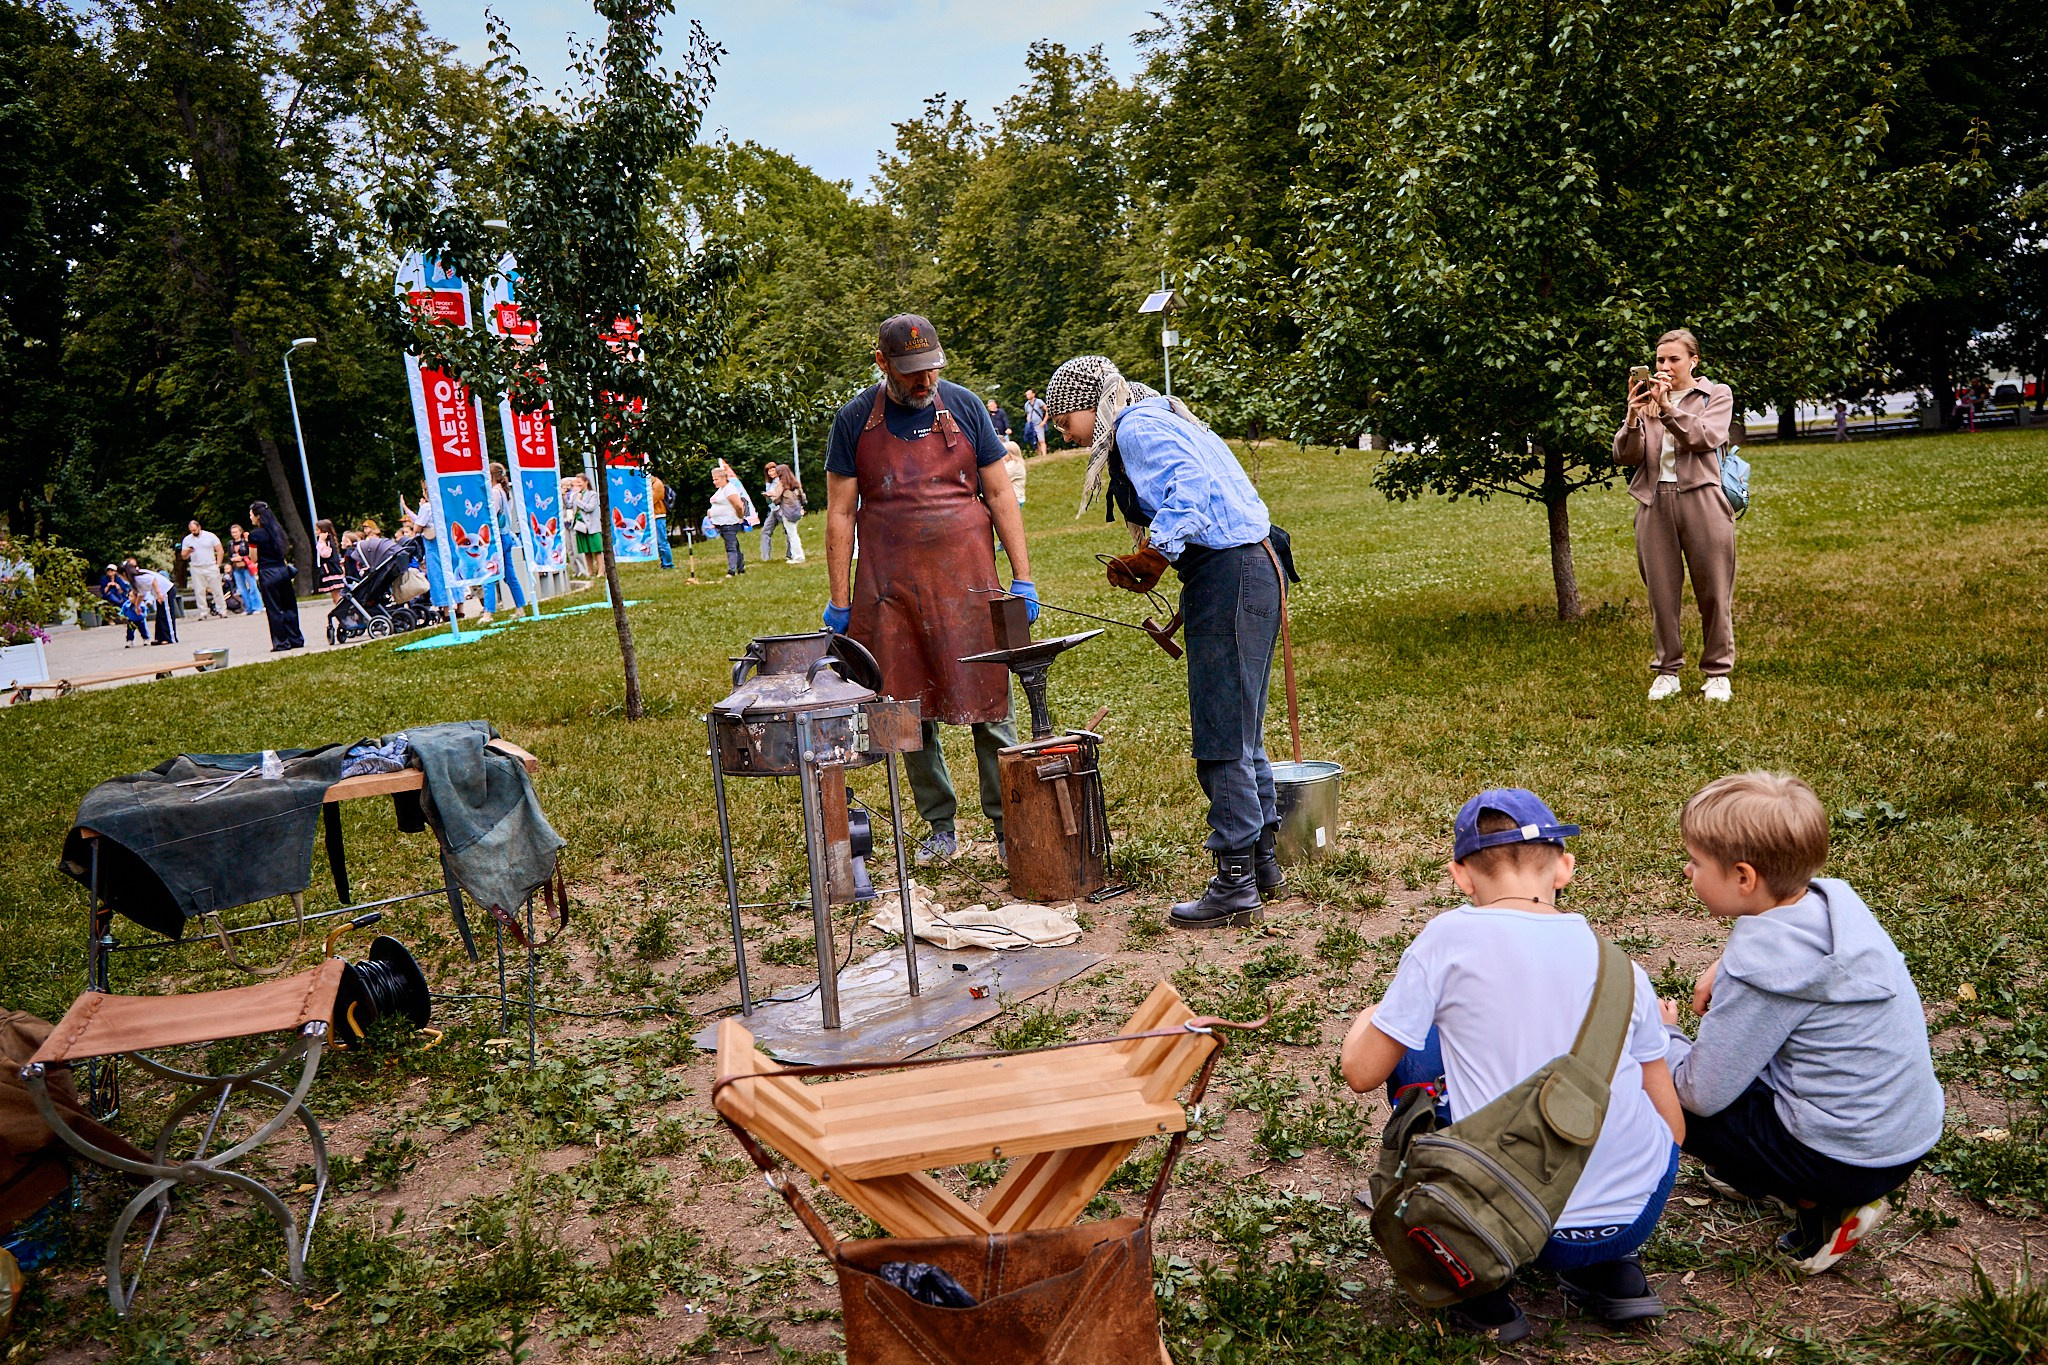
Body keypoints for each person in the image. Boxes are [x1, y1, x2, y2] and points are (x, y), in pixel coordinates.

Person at [1340, 790, 1684, 1342]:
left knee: (1418, 1052)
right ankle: (1610, 1270)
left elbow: (1360, 1071)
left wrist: (1378, 1010)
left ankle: (1478, 1282)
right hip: (1635, 1212)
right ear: (1565, 868)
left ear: (1462, 876)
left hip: (1508, 1218)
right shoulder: (1622, 967)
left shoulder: (1447, 938)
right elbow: (1674, 1128)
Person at [1660, 772, 1942, 1274]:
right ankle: (1765, 1175)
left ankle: (1819, 1206)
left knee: (1662, 1088)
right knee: (1757, 1058)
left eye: (1696, 862)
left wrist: (1664, 1037)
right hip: (1903, 1133)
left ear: (1744, 878)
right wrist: (1724, 962)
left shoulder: (1763, 976)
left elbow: (1700, 1092)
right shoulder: (1836, 909)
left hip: (1844, 1158)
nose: (1687, 871)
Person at [1044, 354, 1288, 925]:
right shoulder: (1161, 415)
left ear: (1088, 403)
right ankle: (1262, 864)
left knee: (1221, 732)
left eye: (1062, 419)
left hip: (1232, 572)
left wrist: (1157, 552)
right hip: (1250, 568)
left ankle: (1235, 884)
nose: (1063, 431)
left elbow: (1193, 489)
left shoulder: (1135, 425)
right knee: (1243, 728)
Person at [823, 314, 1034, 862]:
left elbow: (999, 493)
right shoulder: (852, 422)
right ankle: (940, 825)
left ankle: (1009, 823)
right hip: (889, 590)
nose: (924, 382)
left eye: (931, 369)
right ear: (882, 364)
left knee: (990, 702)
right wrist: (840, 600)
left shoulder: (964, 406)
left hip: (969, 583)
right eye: (912, 372)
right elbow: (842, 514)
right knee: (903, 710)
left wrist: (1023, 576)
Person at [1613, 327, 1737, 703]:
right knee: (1662, 594)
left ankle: (1717, 673)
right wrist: (1633, 417)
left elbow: (1704, 437)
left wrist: (1668, 408)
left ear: (1693, 361)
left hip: (1703, 498)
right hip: (1654, 502)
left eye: (1673, 359)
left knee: (1714, 591)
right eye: (1659, 360)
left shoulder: (1716, 394)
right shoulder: (1648, 398)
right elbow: (1626, 456)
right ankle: (1667, 672)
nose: (1665, 366)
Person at [247, 501, 304, 651]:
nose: (250, 517)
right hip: (282, 571)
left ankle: (281, 642)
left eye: (251, 514)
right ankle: (296, 638)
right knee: (289, 606)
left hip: (267, 572)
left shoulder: (255, 535)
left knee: (274, 609)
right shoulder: (277, 530)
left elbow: (253, 558)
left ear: (258, 516)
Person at [398, 484, 456, 622]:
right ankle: (459, 609)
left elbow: (418, 527)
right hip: (447, 543)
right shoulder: (444, 503)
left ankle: (447, 611)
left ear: (426, 492)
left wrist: (418, 508)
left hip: (433, 546)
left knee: (438, 576)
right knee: (451, 574)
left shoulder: (427, 507)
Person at [481, 461, 530, 619]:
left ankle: (488, 612)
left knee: (489, 573)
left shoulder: (495, 492)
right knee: (510, 575)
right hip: (507, 535)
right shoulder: (504, 491)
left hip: (497, 539)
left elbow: (492, 514)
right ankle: (520, 607)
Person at [179, 519, 229, 618]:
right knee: (199, 590)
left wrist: (217, 565)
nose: (193, 532)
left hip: (210, 565)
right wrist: (188, 551)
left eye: (195, 530)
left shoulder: (210, 536)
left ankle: (222, 609)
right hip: (196, 566)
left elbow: (220, 550)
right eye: (191, 530)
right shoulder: (187, 539)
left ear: (199, 527)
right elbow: (183, 556)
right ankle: (203, 611)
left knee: (217, 589)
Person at [762, 461, 807, 563]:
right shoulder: (795, 483)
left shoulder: (781, 484)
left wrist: (769, 495)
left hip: (787, 512)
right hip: (796, 511)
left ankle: (798, 556)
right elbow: (803, 498)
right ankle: (797, 555)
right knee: (793, 533)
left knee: (792, 535)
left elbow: (776, 499)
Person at [708, 464, 749, 576]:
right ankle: (741, 568)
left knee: (730, 546)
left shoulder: (730, 489)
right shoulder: (722, 489)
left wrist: (740, 517)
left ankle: (732, 571)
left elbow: (738, 505)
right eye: (713, 479)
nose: (714, 482)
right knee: (734, 545)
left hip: (729, 522)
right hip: (720, 523)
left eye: (716, 479)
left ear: (723, 478)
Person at [124, 562, 178, 646]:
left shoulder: (139, 576)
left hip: (165, 591)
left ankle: (170, 638)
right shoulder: (136, 579)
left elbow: (153, 580)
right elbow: (141, 594)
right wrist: (137, 606)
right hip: (159, 593)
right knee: (160, 616)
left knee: (166, 615)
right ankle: (160, 638)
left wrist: (159, 593)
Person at [568, 475, 603, 577]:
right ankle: (590, 572)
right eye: (576, 483)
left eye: (579, 482)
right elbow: (570, 505)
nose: (577, 485)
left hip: (592, 526)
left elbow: (590, 508)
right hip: (580, 526)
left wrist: (578, 501)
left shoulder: (592, 494)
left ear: (586, 482)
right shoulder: (575, 495)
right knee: (586, 551)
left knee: (596, 550)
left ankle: (601, 571)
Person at [227, 524, 260, 612]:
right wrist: (232, 560)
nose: (234, 534)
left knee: (252, 587)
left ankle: (257, 606)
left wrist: (241, 558)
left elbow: (250, 554)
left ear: (240, 532)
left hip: (246, 566)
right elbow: (229, 556)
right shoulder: (230, 543)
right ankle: (248, 608)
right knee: (241, 588)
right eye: (232, 532)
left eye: (236, 532)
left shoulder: (245, 542)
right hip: (236, 568)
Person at [315, 519, 346, 604]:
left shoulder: (327, 542)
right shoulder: (329, 541)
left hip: (331, 571)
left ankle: (342, 612)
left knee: (336, 595)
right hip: (331, 570)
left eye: (317, 530)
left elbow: (325, 554)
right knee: (335, 595)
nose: (316, 532)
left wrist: (321, 541)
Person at [649, 472, 674, 570]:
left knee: (662, 541)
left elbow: (650, 500)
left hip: (658, 515)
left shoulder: (657, 484)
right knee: (659, 542)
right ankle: (664, 562)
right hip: (653, 516)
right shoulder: (650, 484)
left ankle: (668, 564)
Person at [1001, 439, 1028, 505]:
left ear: (1011, 454)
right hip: (1015, 498)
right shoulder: (1015, 464)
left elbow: (1000, 477)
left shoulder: (1014, 465)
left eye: (1003, 454)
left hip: (1015, 499)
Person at [1023, 388, 1047, 458]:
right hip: (1031, 425)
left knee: (1041, 440)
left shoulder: (1039, 401)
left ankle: (1044, 455)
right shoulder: (1026, 404)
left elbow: (1047, 410)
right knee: (1034, 441)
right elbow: (1028, 414)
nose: (1028, 396)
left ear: (1033, 394)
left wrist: (1044, 421)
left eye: (1029, 394)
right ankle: (1039, 456)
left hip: (1039, 424)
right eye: (1026, 394)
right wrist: (1028, 422)